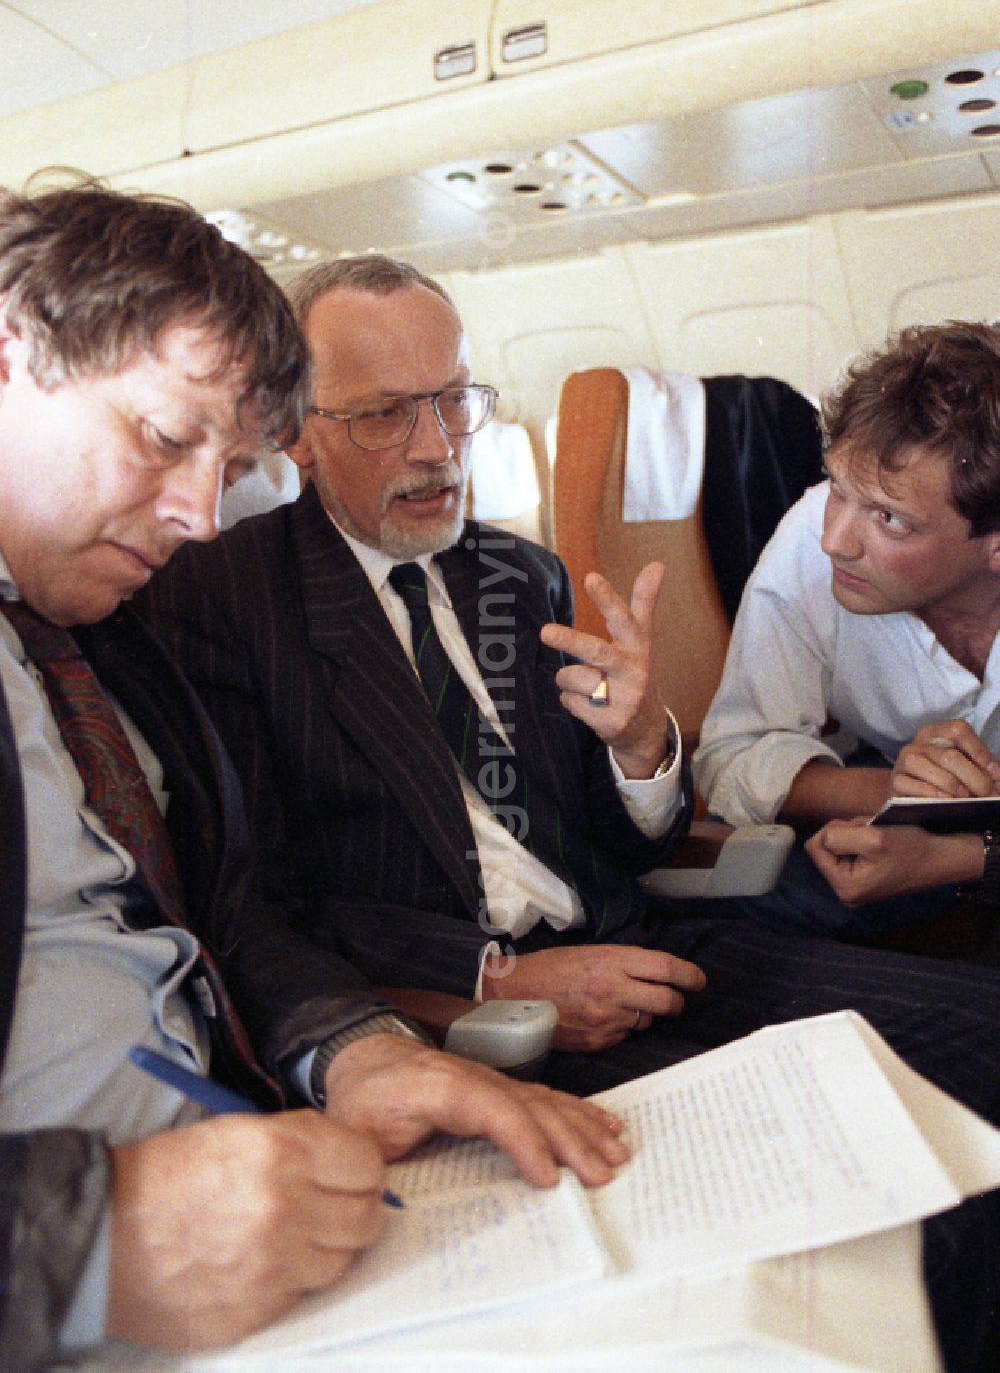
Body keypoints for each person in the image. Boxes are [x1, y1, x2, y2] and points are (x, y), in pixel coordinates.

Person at [139, 263, 1000, 1368]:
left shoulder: (521, 573)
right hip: (480, 1018)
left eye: (454, 398)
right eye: (383, 414)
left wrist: (643, 749)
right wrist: (487, 980)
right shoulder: (218, 602)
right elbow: (255, 901)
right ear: (295, 435)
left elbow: (622, 841)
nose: (437, 445)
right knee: (893, 1218)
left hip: (642, 948)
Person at [0, 186, 633, 1371]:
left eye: (227, 464)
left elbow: (224, 909)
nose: (198, 513)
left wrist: (358, 1049)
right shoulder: (205, 604)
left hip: (266, 1182)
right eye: (163, 436)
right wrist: (84, 1243)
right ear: (12, 355)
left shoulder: (106, 637)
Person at [693, 321, 1000, 930]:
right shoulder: (810, 536)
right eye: (838, 486)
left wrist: (958, 857)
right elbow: (733, 754)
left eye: (890, 519)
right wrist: (895, 792)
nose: (836, 541)